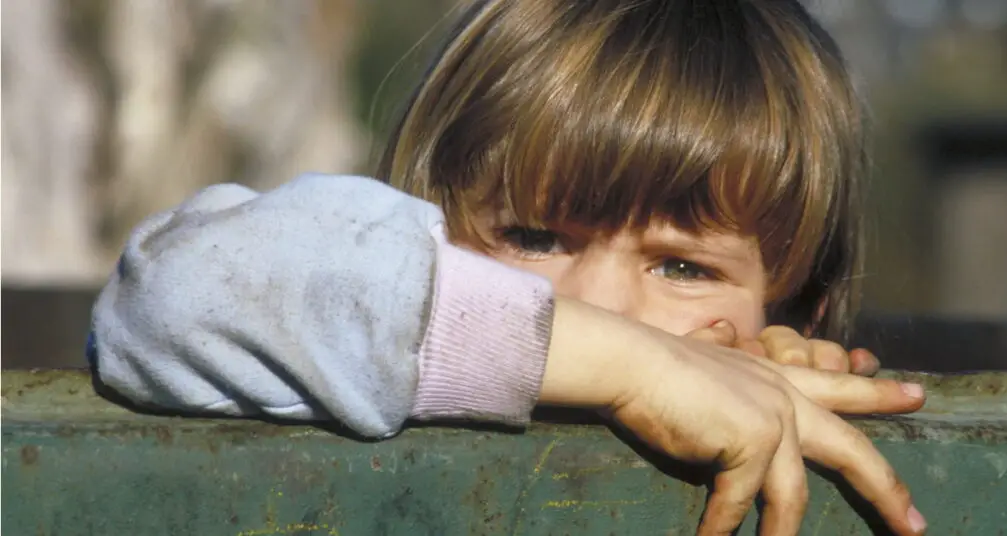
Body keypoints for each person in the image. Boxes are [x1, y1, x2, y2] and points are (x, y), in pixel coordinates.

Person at [88, 1, 927, 534]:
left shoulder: (777, 383)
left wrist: (773, 382)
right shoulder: (355, 357)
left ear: (798, 307)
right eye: (531, 237)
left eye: (681, 267)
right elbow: (174, 287)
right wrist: (627, 365)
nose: (601, 304)